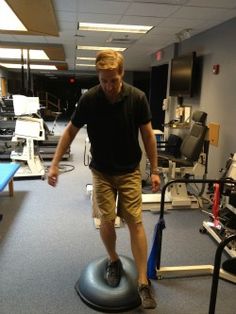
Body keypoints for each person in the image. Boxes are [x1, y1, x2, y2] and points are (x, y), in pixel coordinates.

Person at [47, 49, 161, 309]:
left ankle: (143, 281)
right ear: (98, 76)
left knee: (135, 221)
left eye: (114, 80)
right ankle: (113, 259)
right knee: (106, 220)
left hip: (130, 170)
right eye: (104, 80)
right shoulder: (90, 99)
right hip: (101, 171)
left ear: (121, 74)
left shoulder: (137, 98)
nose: (109, 86)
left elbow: (149, 136)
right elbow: (69, 132)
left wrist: (154, 170)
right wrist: (54, 165)